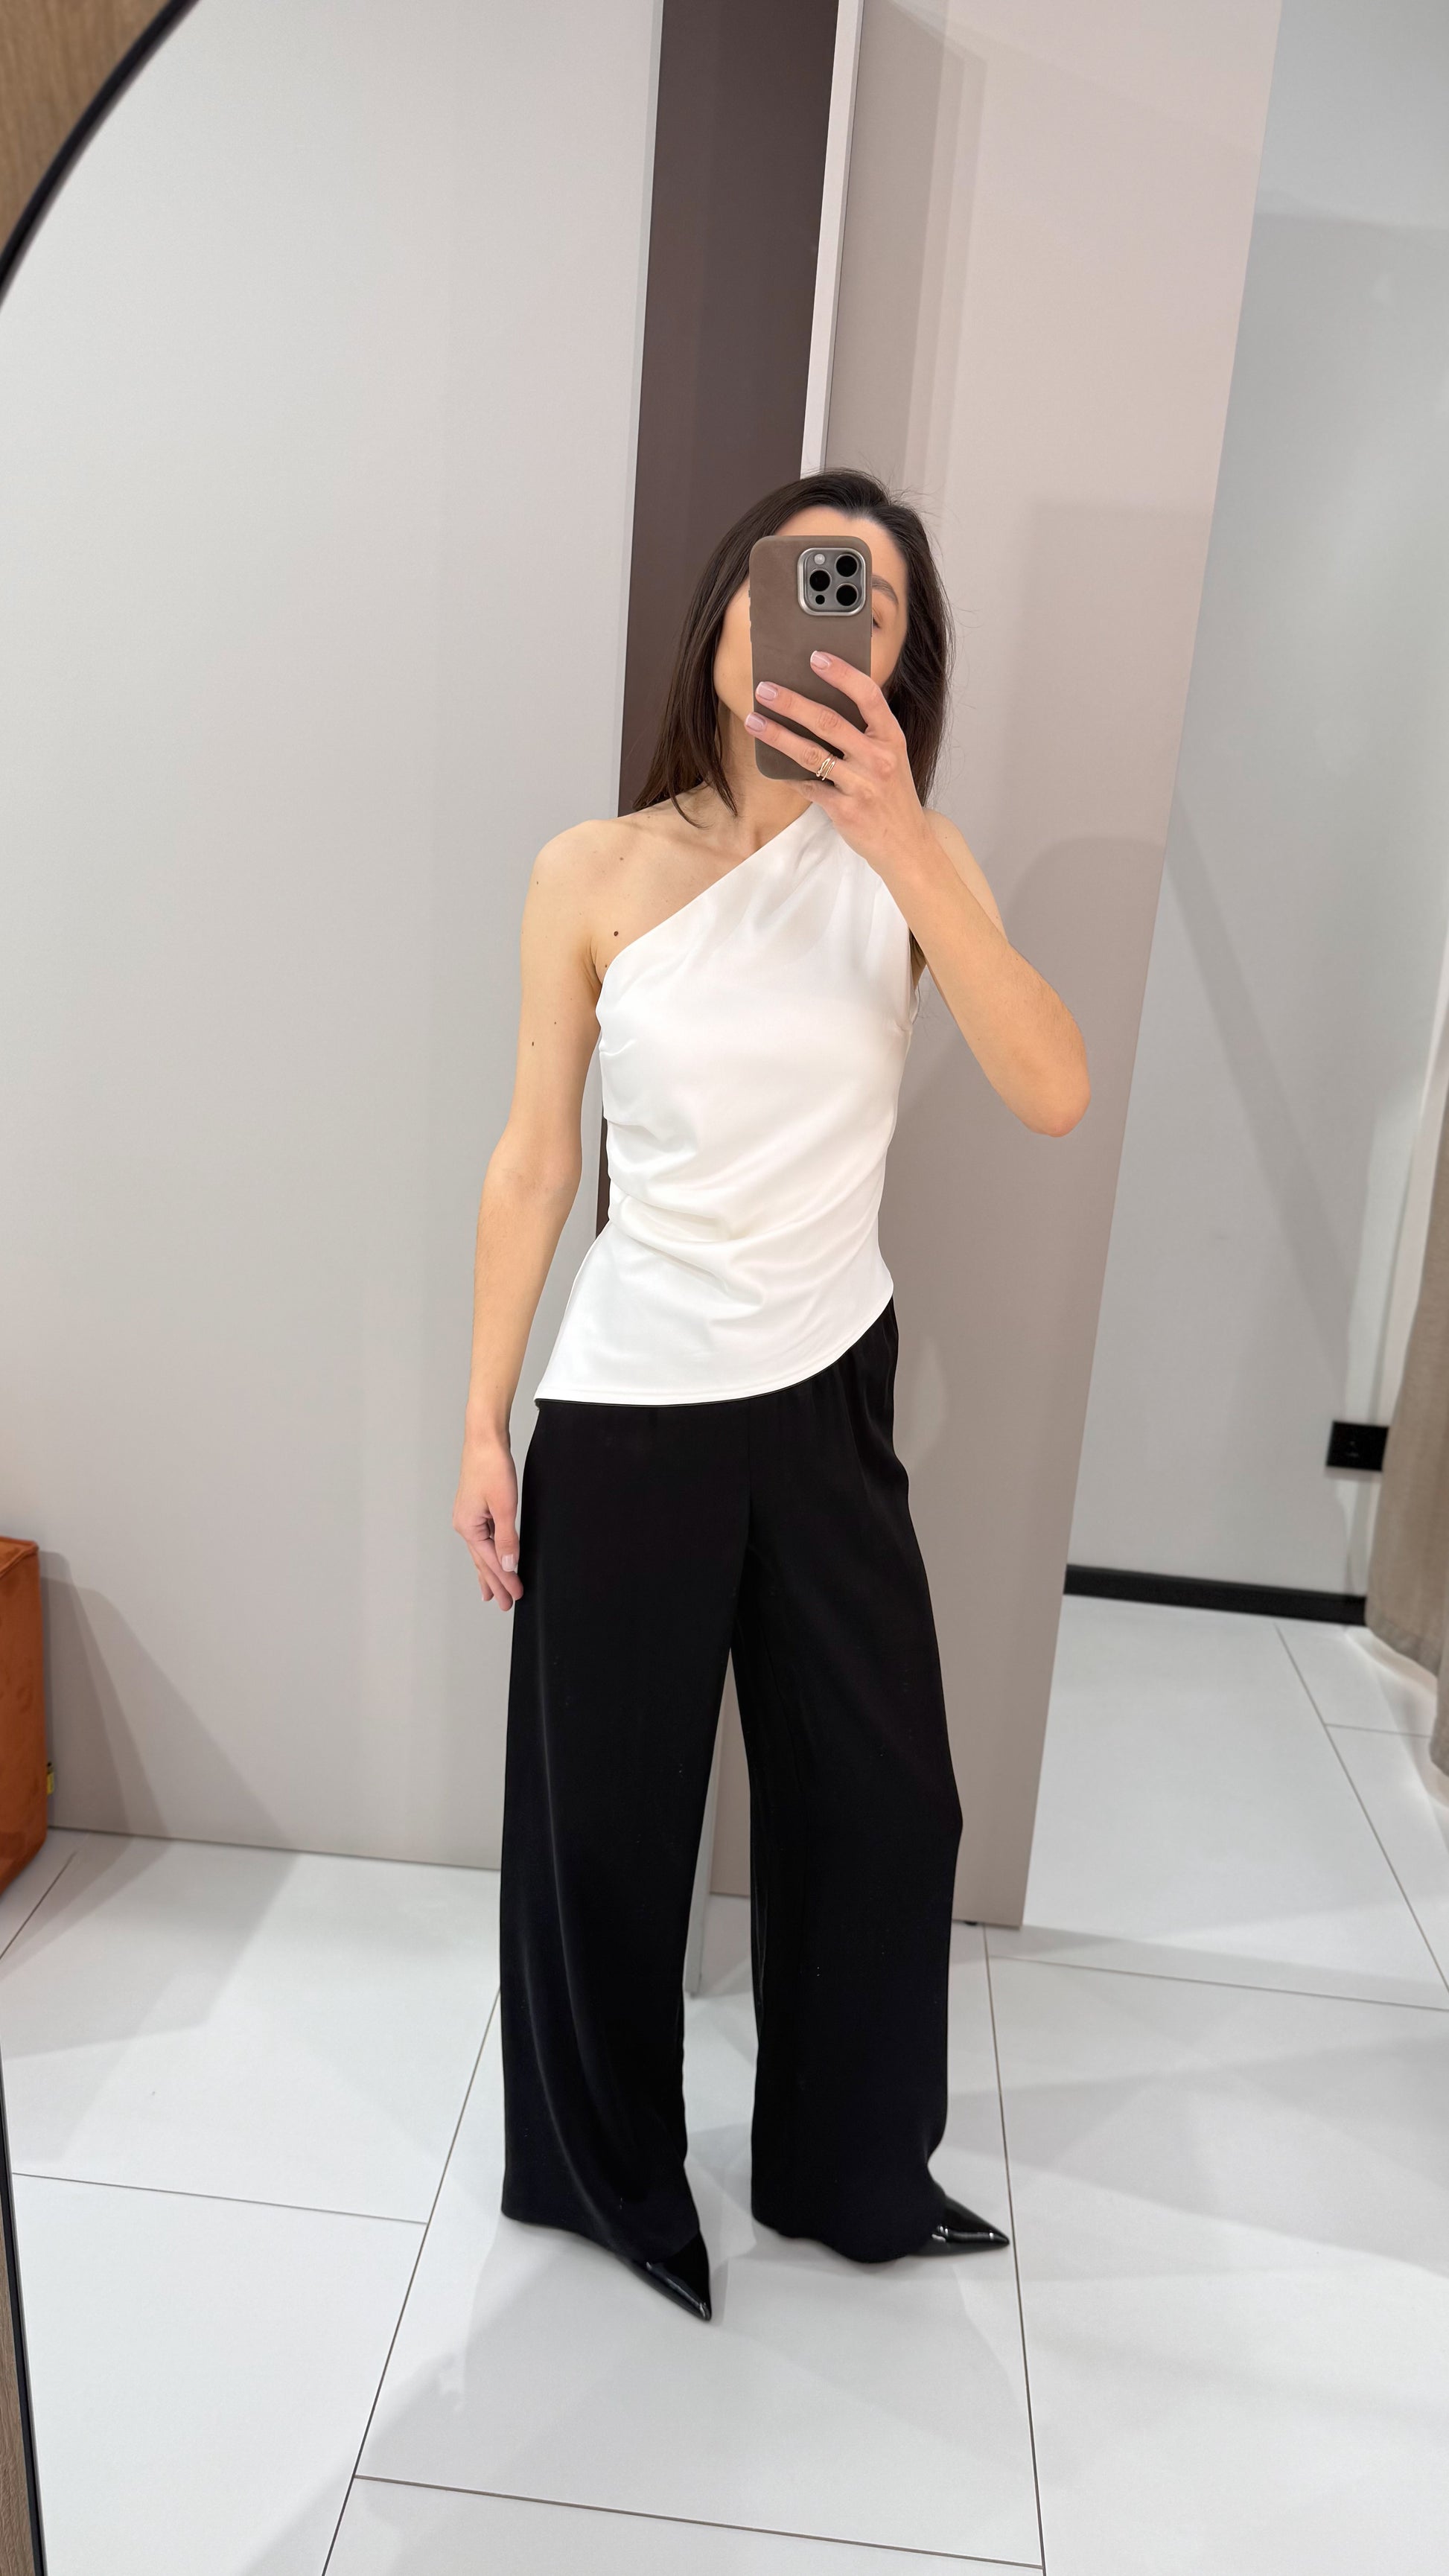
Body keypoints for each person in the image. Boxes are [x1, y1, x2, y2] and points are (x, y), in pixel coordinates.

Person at [452, 469, 1089, 2323]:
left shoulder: (911, 865)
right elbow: (531, 1161)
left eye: (858, 598)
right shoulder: (589, 870)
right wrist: (481, 1418)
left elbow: (1050, 1085)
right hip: (629, 1403)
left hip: (821, 1390)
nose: (814, 619)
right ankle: (605, 2177)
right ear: (727, 620)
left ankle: (848, 2170)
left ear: (893, 657)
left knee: (885, 1806)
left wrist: (904, 842)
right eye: (792, 582)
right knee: (606, 1824)